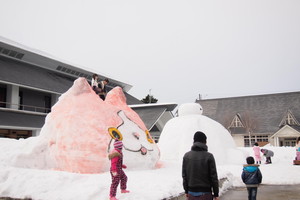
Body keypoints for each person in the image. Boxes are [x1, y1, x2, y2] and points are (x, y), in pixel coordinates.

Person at [182, 131, 219, 200]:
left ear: (194, 141)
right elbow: (213, 177)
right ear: (204, 141)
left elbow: (184, 176)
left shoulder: (186, 156)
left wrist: (186, 190)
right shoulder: (209, 156)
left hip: (191, 193)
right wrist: (216, 193)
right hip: (206, 193)